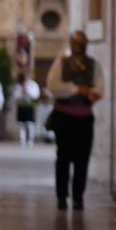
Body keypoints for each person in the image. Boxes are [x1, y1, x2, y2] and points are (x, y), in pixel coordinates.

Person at [47, 31, 105, 209]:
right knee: (63, 157)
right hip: (64, 118)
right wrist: (75, 89)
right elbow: (53, 85)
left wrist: (91, 93)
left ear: (86, 44)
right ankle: (62, 196)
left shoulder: (93, 65)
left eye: (82, 43)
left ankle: (78, 196)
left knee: (82, 159)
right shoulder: (61, 63)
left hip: (84, 119)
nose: (78, 46)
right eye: (75, 42)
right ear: (71, 43)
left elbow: (99, 89)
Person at [12, 71, 40, 147]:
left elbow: (36, 95)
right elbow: (15, 97)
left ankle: (30, 140)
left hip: (29, 106)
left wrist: (28, 92)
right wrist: (22, 92)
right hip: (21, 106)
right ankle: (22, 140)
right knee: (21, 125)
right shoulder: (18, 86)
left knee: (30, 124)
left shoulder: (33, 85)